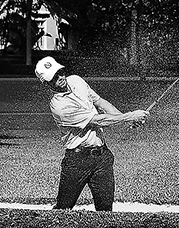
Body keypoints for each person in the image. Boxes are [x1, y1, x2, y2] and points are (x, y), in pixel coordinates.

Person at [35, 56, 148, 211]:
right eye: (54, 77)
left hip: (102, 157)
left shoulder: (76, 80)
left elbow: (100, 102)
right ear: (46, 83)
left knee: (105, 210)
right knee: (63, 209)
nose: (60, 77)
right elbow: (96, 121)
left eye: (60, 72)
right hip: (77, 161)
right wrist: (128, 116)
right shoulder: (59, 107)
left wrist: (125, 119)